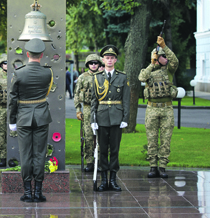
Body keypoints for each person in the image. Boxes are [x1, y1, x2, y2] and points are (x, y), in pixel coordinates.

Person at [9, 38, 54, 203]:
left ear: (27, 54)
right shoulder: (48, 72)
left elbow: (12, 99)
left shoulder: (19, 73)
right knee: (40, 154)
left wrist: (12, 120)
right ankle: (38, 192)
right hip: (41, 116)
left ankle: (28, 192)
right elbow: (46, 92)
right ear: (41, 55)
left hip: (23, 117)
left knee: (26, 154)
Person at [91, 45, 130, 192]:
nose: (109, 60)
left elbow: (126, 100)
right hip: (101, 117)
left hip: (116, 118)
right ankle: (103, 181)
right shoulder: (96, 78)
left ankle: (113, 180)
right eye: (107, 58)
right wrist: (92, 120)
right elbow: (94, 100)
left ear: (115, 60)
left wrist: (125, 118)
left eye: (112, 58)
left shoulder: (122, 77)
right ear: (102, 59)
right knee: (102, 150)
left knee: (114, 149)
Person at [138, 36, 179, 179]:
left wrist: (165, 47)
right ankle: (153, 167)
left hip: (167, 108)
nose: (165, 59)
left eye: (165, 56)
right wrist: (152, 63)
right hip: (152, 109)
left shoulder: (169, 70)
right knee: (152, 139)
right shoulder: (149, 71)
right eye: (162, 57)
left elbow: (175, 61)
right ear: (155, 58)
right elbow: (141, 77)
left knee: (166, 139)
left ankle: (162, 167)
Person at [74, 54, 102, 172]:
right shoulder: (82, 77)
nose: (94, 65)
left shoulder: (103, 76)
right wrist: (78, 110)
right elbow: (76, 94)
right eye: (91, 63)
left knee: (100, 137)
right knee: (89, 137)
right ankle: (89, 162)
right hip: (87, 108)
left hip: (101, 109)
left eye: (96, 63)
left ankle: (99, 161)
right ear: (87, 65)